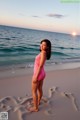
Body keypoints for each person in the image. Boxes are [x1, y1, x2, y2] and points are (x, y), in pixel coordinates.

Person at [29, 39, 51, 112]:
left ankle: (36, 108)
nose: (41, 45)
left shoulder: (43, 53)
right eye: (41, 44)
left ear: (47, 47)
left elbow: (40, 66)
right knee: (39, 89)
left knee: (34, 91)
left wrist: (35, 76)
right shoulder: (43, 52)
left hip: (38, 74)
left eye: (44, 45)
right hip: (42, 73)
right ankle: (37, 102)